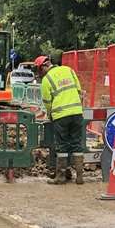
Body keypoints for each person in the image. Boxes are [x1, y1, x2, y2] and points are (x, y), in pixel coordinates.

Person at [35, 54, 85, 184]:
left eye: (39, 70)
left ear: (44, 67)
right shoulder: (69, 70)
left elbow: (47, 101)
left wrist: (50, 113)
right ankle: (79, 177)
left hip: (60, 116)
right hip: (77, 113)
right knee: (77, 144)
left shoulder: (47, 80)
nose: (39, 73)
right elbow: (79, 91)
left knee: (62, 146)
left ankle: (61, 177)